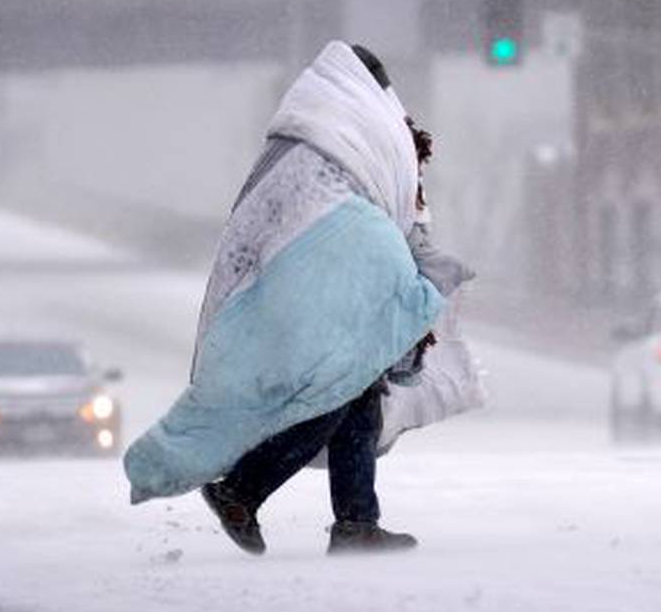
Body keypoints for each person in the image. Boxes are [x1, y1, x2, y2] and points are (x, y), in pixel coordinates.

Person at [124, 41, 468, 556]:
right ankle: (243, 489)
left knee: (356, 390)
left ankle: (355, 522)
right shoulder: (359, 130)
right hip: (322, 279)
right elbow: (385, 207)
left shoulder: (304, 136)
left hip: (294, 280)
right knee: (336, 388)